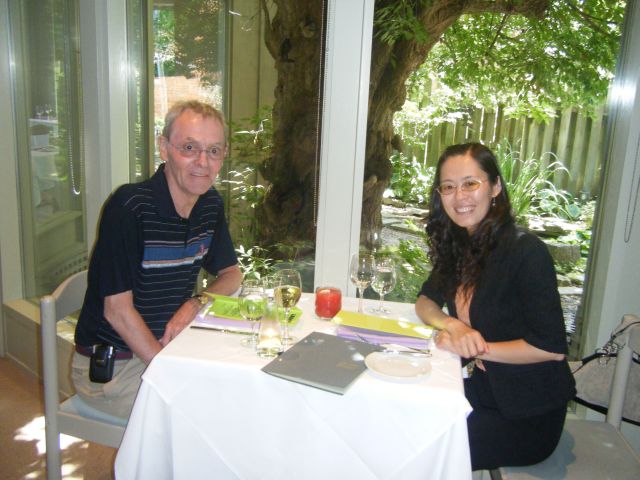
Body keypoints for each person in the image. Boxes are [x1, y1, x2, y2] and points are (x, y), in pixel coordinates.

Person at [73, 100, 243, 419]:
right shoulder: (128, 209)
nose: (202, 162)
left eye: (214, 150)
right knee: (211, 418)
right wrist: (168, 368)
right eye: (189, 148)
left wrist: (196, 303)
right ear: (164, 148)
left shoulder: (209, 204)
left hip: (170, 349)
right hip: (114, 368)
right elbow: (117, 311)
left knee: (241, 391)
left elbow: (232, 274)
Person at [415, 142, 575, 471]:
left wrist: (478, 347)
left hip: (527, 412)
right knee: (409, 420)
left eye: (471, 183)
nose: (460, 197)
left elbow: (551, 347)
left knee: (425, 449)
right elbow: (426, 301)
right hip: (484, 390)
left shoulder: (526, 252)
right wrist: (454, 326)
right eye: (449, 187)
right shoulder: (459, 244)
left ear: (495, 188)